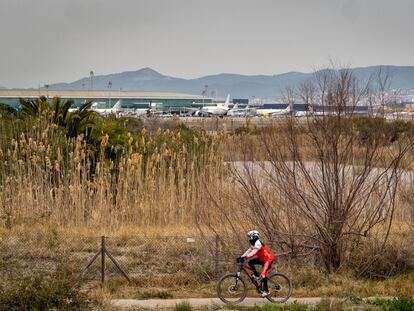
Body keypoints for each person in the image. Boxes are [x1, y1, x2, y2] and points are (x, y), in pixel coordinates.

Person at [237, 230, 275, 297]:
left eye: (250, 236)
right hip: (262, 259)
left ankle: (267, 291)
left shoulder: (258, 243)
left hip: (268, 259)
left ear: (253, 236)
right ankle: (257, 276)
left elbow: (254, 252)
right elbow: (249, 251)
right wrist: (241, 257)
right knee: (250, 262)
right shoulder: (254, 243)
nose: (249, 238)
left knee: (263, 274)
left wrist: (245, 257)